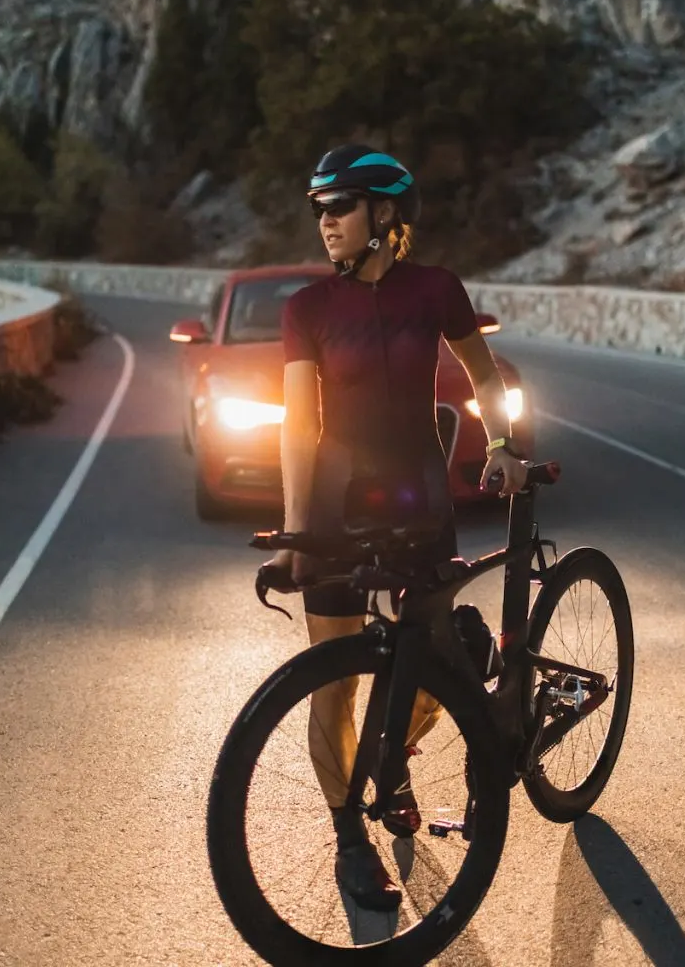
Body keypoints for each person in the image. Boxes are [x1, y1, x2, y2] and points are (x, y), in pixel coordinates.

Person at [264, 142, 527, 910]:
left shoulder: (436, 290)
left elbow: (485, 376)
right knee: (334, 683)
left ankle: (393, 760)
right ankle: (351, 840)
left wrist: (505, 446)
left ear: (383, 213)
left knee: (439, 661)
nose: (325, 223)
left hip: (419, 499)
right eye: (317, 211)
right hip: (336, 503)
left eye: (338, 207)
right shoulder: (306, 310)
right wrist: (293, 526)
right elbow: (294, 422)